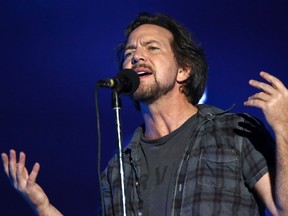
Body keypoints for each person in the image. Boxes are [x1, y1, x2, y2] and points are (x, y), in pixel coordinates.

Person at [2, 12, 288, 216]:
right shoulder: (118, 168)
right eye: (129, 53)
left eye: (152, 48)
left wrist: (284, 129)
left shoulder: (234, 132)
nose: (136, 56)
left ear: (184, 70)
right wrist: (43, 208)